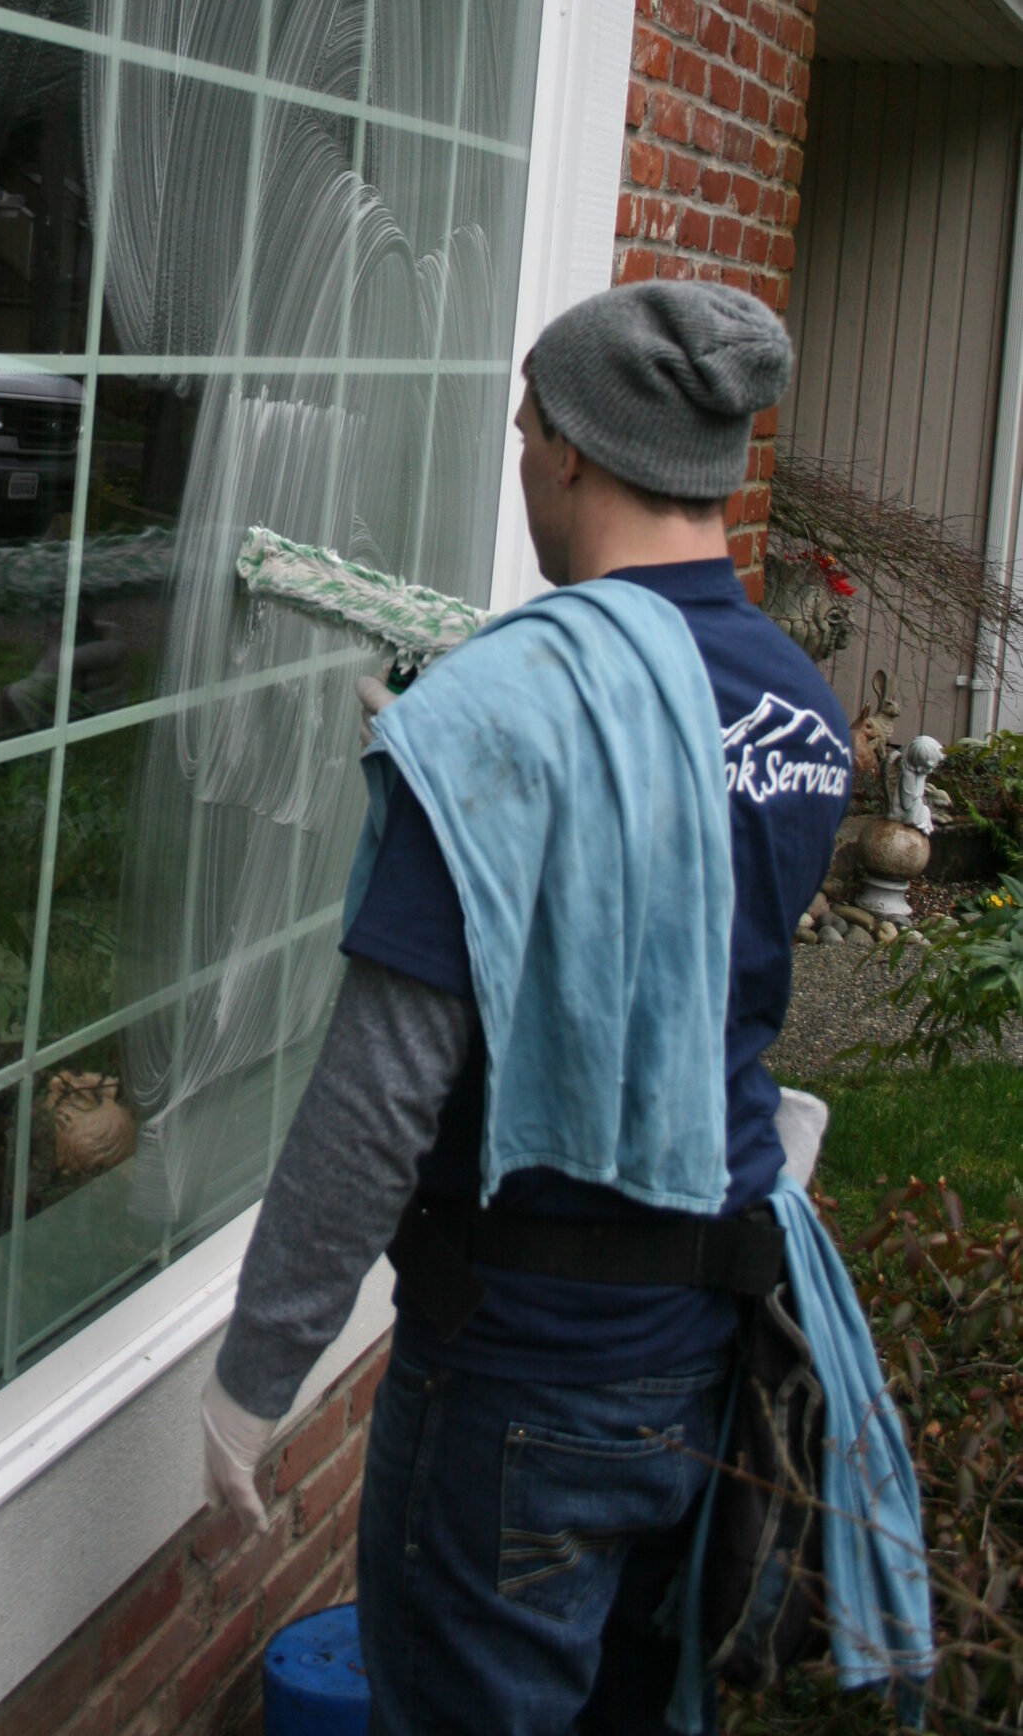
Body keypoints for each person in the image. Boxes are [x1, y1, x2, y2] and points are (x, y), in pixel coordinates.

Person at [199, 280, 853, 1736]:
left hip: (521, 1378)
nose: (518, 461)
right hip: (709, 1358)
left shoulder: (502, 717)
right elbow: (691, 957)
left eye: (518, 430)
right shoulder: (805, 713)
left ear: (568, 447)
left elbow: (379, 1101)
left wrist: (258, 1372)